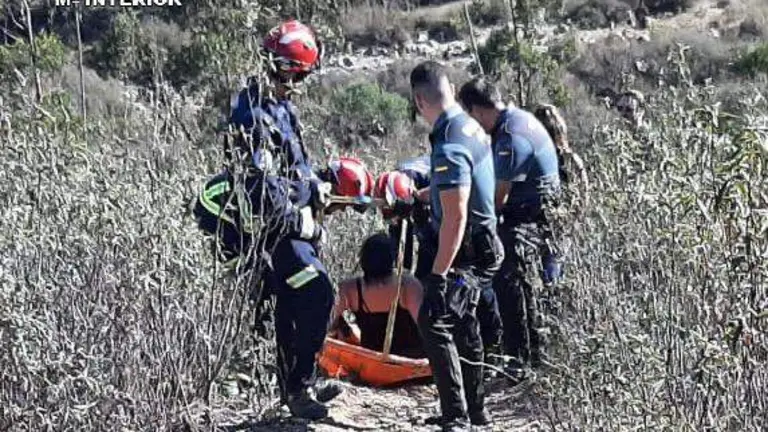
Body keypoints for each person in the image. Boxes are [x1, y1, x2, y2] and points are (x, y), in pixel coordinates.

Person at [194, 20, 363, 421]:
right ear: (287, 68)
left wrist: (317, 187)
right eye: (299, 74)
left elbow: (293, 169)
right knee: (315, 292)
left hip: (287, 223)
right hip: (270, 231)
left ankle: (300, 382)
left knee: (299, 301)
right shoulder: (252, 114)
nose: (299, 83)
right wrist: (301, 222)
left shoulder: (279, 106)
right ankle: (296, 388)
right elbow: (262, 187)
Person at [409, 61, 504, 431]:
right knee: (464, 324)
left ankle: (457, 419)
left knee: (435, 319)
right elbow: (454, 192)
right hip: (481, 245)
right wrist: (419, 198)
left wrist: (438, 274)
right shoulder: (468, 126)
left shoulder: (449, 143)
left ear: (419, 100)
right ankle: (474, 412)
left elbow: (456, 216)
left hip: (470, 251)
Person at [457, 77, 562, 375]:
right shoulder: (517, 120)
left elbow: (496, 200)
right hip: (535, 217)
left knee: (509, 282)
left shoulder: (511, 138)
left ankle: (521, 359)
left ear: (477, 111)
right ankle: (523, 355)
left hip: (530, 219)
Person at [378, 161, 504, 363]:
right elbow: (405, 244)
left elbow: (451, 224)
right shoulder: (395, 183)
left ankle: (491, 345)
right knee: (423, 281)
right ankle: (423, 339)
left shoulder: (441, 178)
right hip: (432, 220)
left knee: (470, 287)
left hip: (471, 234)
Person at [330, 233, 426, 359]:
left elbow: (328, 322)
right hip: (408, 359)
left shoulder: (349, 288)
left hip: (375, 361)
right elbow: (426, 329)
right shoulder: (408, 285)